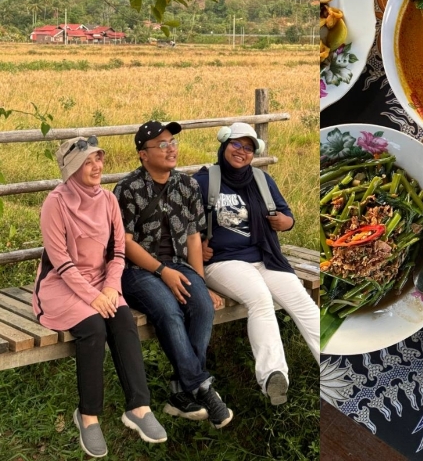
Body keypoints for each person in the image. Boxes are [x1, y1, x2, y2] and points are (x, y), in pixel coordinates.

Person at [33, 137, 168, 457]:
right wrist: (94, 297)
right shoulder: (56, 203)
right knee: (94, 326)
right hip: (60, 285)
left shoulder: (108, 201)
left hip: (100, 283)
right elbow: (61, 262)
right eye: (88, 161)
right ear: (72, 168)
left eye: (99, 159)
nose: (97, 166)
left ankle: (138, 408)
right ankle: (88, 416)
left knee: (122, 319)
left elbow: (118, 253)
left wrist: (109, 289)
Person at [115, 120, 233, 428]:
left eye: (173, 143)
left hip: (179, 265)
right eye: (162, 145)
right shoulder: (127, 189)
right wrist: (162, 271)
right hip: (137, 271)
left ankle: (181, 393)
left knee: (202, 306)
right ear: (143, 154)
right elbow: (124, 244)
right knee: (168, 312)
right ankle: (201, 386)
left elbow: (193, 238)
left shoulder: (188, 185)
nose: (171, 149)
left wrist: (200, 282)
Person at [194, 123, 320, 405]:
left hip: (265, 256)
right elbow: (186, 228)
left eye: (248, 147)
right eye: (236, 144)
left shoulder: (262, 180)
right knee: (260, 298)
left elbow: (288, 217)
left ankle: (333, 358)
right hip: (223, 262)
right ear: (224, 145)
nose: (242, 151)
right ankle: (273, 376)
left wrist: (284, 222)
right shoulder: (204, 182)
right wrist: (196, 246)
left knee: (301, 300)